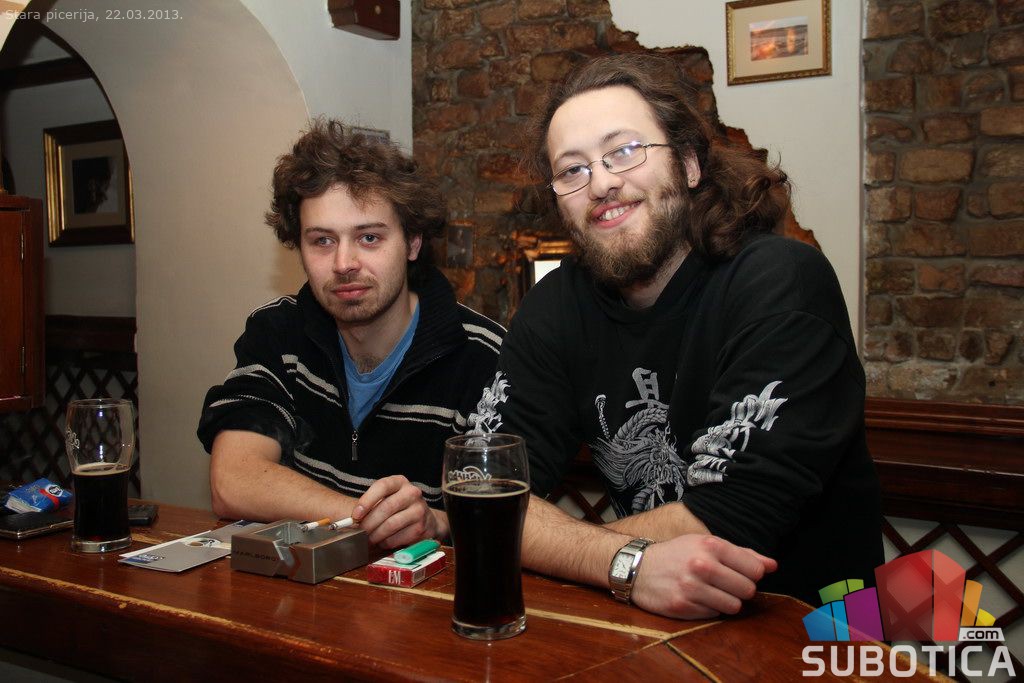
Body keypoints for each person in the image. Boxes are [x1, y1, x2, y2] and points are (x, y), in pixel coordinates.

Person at [470, 54, 883, 619]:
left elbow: (727, 522)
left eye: (625, 151)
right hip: (646, 625)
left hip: (817, 634)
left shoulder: (781, 282)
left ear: (689, 165)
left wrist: (590, 555)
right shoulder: (555, 305)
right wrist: (627, 564)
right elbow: (484, 489)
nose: (602, 183)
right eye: (572, 170)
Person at [198, 120, 504, 549]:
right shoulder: (279, 332)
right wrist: (370, 519)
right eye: (322, 241)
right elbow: (233, 480)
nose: (344, 263)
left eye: (369, 237)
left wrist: (436, 522)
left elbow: (503, 518)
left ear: (413, 243)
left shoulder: (484, 356)